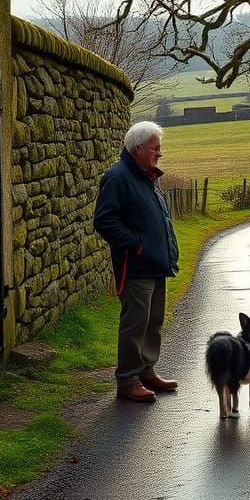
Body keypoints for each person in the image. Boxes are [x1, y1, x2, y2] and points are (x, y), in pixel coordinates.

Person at [93, 121, 180, 402]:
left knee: (153, 321)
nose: (159, 153)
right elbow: (104, 220)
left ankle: (146, 372)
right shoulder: (118, 177)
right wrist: (137, 245)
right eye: (155, 148)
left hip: (156, 264)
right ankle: (128, 380)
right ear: (138, 148)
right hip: (136, 265)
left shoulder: (147, 176)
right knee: (135, 323)